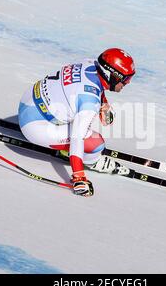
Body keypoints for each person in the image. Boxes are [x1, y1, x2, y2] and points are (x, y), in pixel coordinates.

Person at [18, 48, 135, 197]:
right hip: (34, 127)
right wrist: (79, 178)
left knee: (76, 111)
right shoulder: (89, 102)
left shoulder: (89, 63)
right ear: (112, 76)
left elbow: (91, 84)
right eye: (125, 79)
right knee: (96, 143)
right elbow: (76, 138)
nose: (127, 83)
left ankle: (63, 142)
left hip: (27, 101)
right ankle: (94, 162)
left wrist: (103, 102)